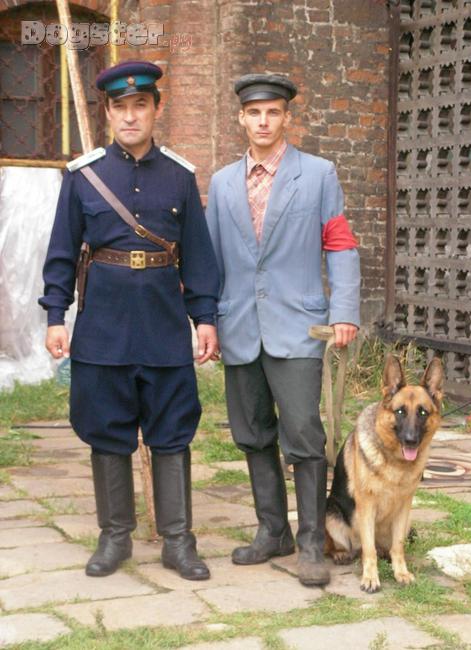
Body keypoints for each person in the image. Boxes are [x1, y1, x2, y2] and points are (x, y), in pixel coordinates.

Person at [39, 60, 220, 581]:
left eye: (141, 105)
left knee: (173, 432)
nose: (131, 116)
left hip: (164, 327)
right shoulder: (84, 177)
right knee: (107, 430)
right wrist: (56, 316)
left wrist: (204, 317)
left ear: (156, 109)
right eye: (121, 107)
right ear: (108, 113)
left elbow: (198, 256)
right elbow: (61, 252)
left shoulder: (180, 177)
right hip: (103, 328)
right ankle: (114, 537)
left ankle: (178, 542)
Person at [205, 73, 360, 587]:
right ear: (241, 118)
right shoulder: (222, 183)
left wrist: (344, 310)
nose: (263, 121)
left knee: (303, 436)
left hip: (298, 327)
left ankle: (312, 542)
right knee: (252, 434)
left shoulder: (317, 174)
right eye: (254, 113)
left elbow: (339, 243)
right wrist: (207, 319)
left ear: (287, 118)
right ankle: (273, 531)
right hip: (239, 326)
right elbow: (210, 259)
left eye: (273, 112)